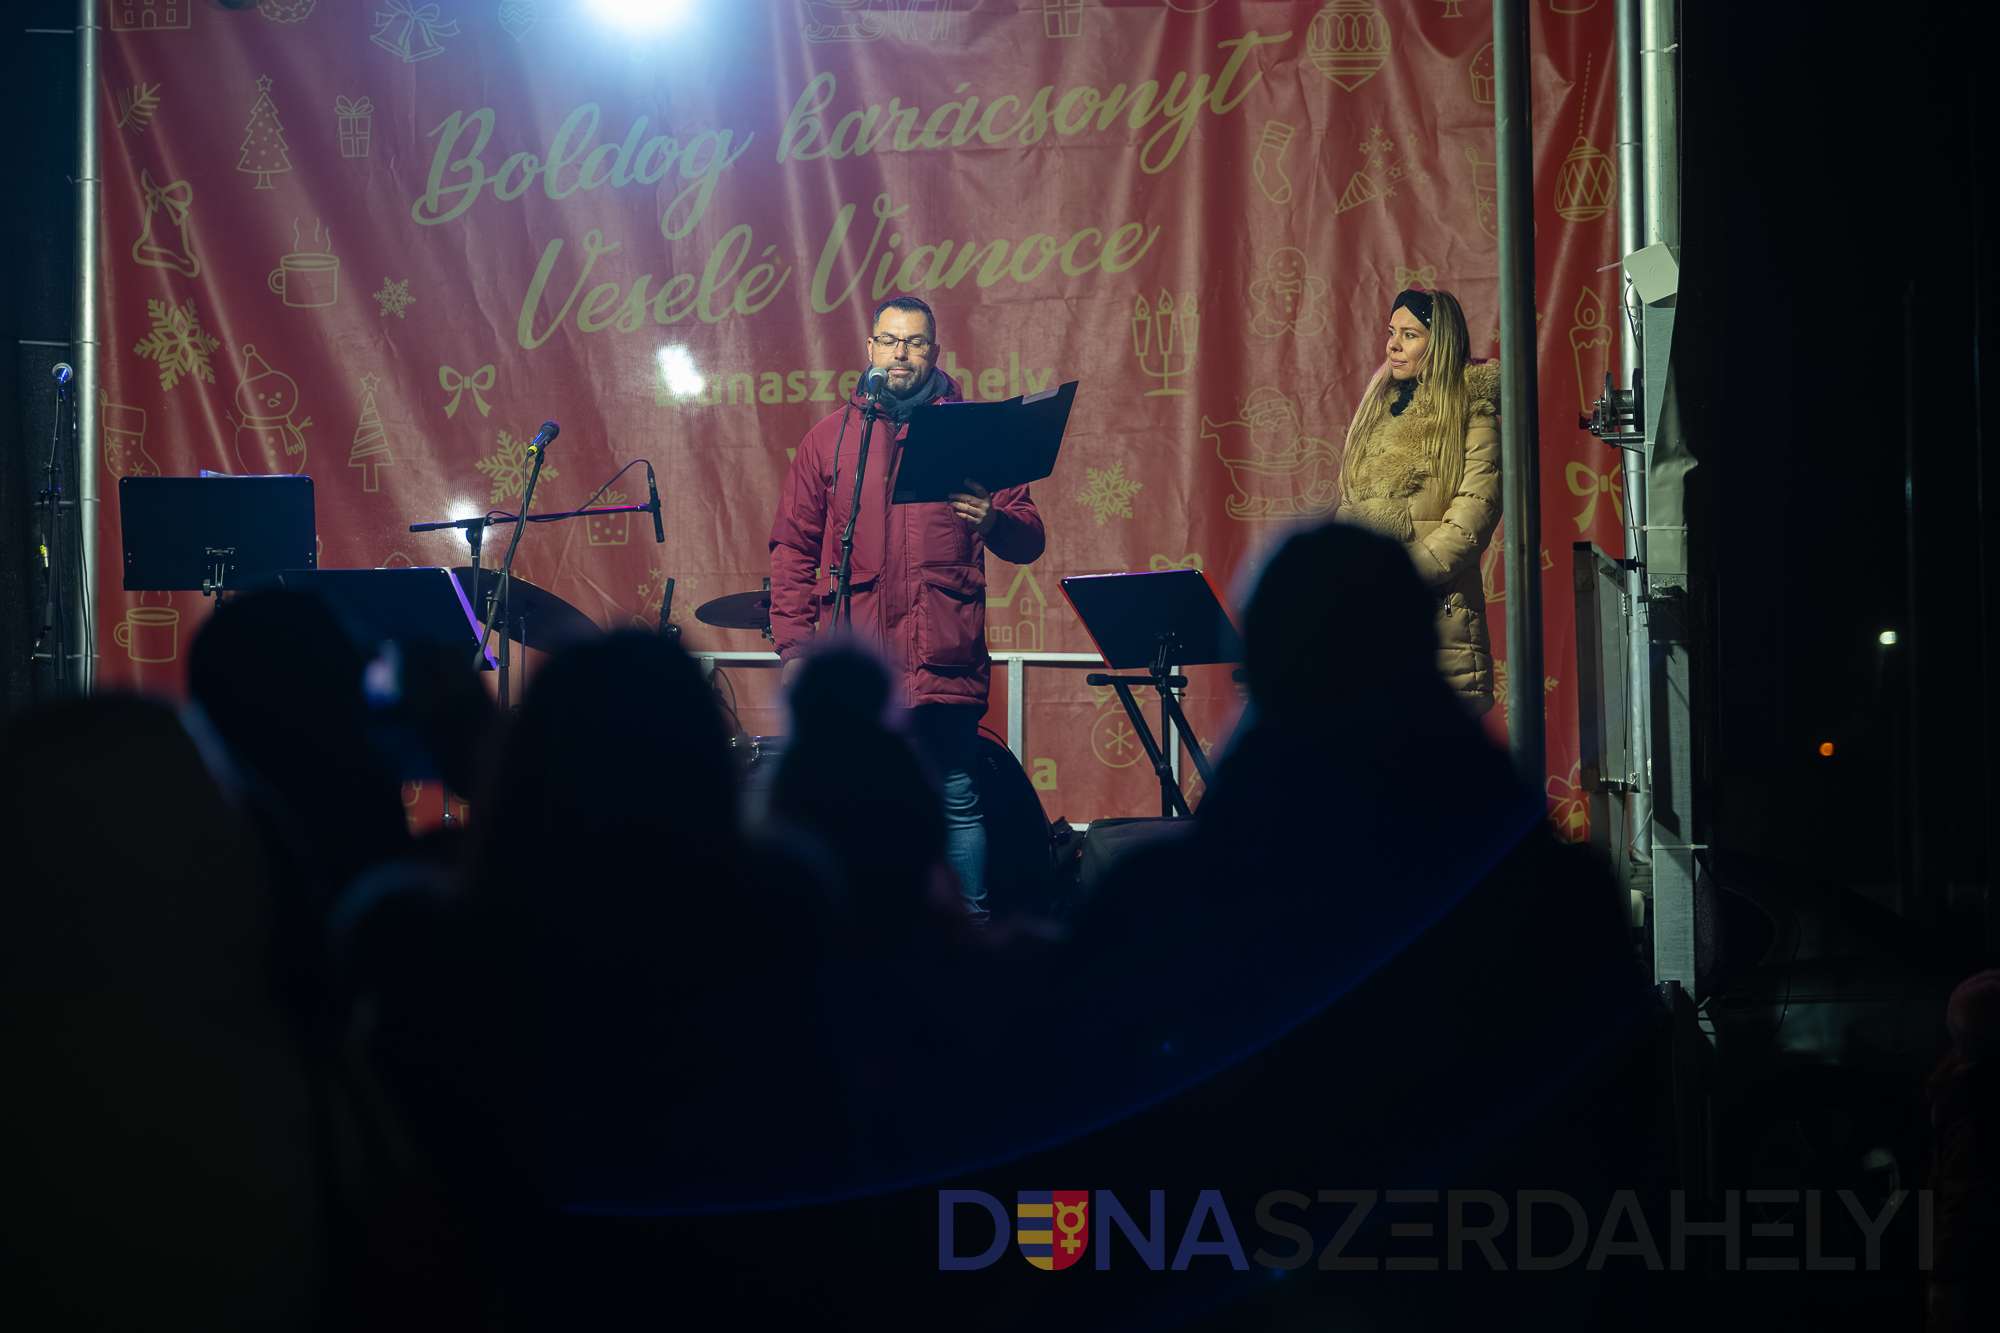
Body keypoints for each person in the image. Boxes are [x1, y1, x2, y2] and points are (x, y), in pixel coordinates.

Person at [769, 295, 1045, 926]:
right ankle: (861, 939)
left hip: (943, 653)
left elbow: (1029, 538)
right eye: (890, 341)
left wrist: (994, 519)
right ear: (870, 348)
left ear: (934, 353)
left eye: (915, 342)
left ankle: (969, 940)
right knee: (854, 806)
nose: (901, 353)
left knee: (956, 801)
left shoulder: (976, 434)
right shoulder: (830, 439)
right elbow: (793, 549)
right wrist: (795, 648)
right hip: (861, 665)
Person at [1337, 287, 1503, 714]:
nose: (1392, 345)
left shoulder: (1473, 416)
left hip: (1439, 628)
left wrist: (1395, 577)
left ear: (1440, 342)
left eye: (1409, 335)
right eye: (1391, 332)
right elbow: (1350, 510)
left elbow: (1470, 522)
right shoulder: (1378, 412)